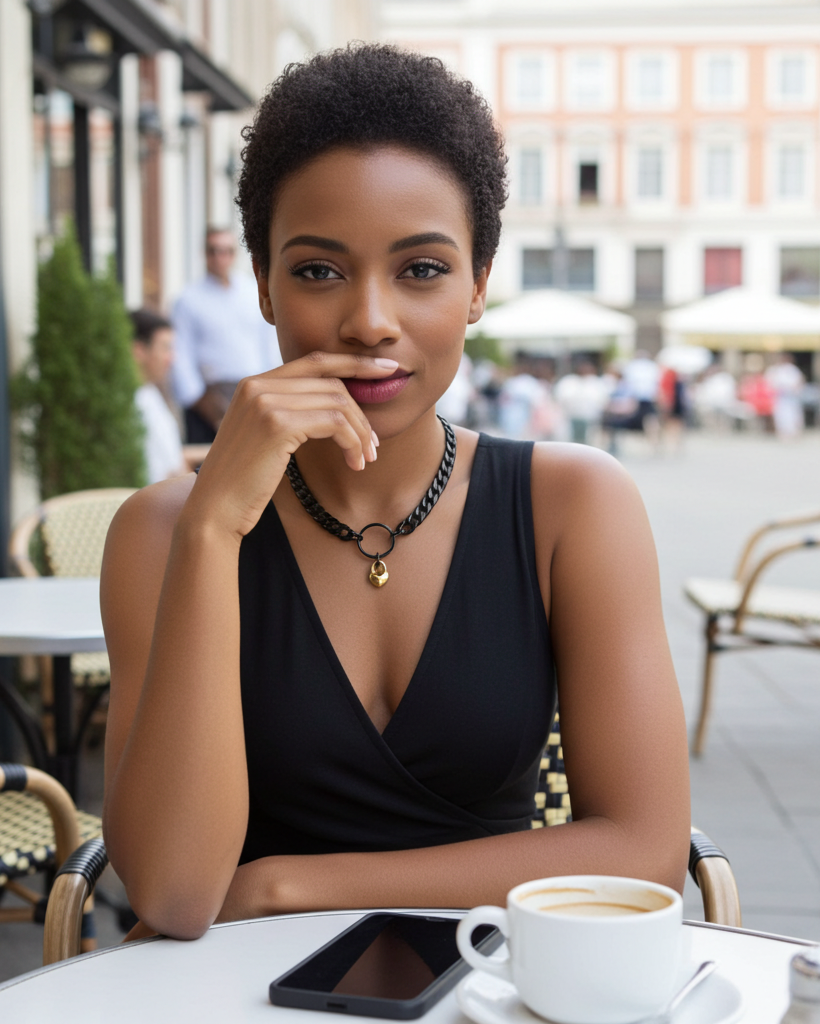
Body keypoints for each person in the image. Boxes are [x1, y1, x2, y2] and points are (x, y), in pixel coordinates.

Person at [101, 44, 689, 942]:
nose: (371, 320)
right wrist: (215, 526)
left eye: (421, 270)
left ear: (478, 286)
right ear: (261, 284)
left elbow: (644, 847)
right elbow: (178, 894)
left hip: (495, 986)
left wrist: (284, 886)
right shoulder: (166, 530)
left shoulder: (573, 505)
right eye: (317, 270)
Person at [171, 227, 282, 442]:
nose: (219, 258)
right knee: (207, 468)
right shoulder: (188, 299)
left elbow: (268, 344)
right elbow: (181, 355)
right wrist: (200, 401)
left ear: (234, 254)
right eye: (213, 250)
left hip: (252, 394)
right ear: (204, 254)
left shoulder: (252, 293)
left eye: (226, 251)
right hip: (208, 399)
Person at [131, 309, 187, 484]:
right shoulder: (129, 405)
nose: (172, 359)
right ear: (139, 350)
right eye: (165, 348)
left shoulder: (150, 394)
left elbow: (175, 464)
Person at [553, 361, 609, 445]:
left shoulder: (595, 382)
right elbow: (560, 398)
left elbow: (602, 400)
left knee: (587, 442)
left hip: (590, 418)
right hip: (570, 417)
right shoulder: (569, 381)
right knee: (570, 442)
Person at [765, 353, 806, 440]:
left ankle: (794, 433)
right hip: (780, 397)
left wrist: (794, 389)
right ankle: (783, 433)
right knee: (781, 416)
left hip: (791, 397)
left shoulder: (792, 369)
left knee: (794, 415)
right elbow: (770, 383)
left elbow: (800, 381)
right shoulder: (776, 370)